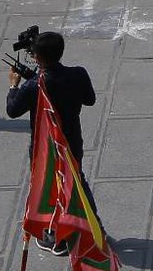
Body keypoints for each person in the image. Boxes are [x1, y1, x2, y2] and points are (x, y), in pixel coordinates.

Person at [5, 30, 97, 249]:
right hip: (72, 142)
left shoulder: (33, 86)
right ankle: (94, 228)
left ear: (36, 57)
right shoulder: (78, 74)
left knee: (49, 189)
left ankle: (57, 236)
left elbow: (12, 110)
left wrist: (13, 85)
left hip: (46, 148)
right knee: (77, 182)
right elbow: (90, 99)